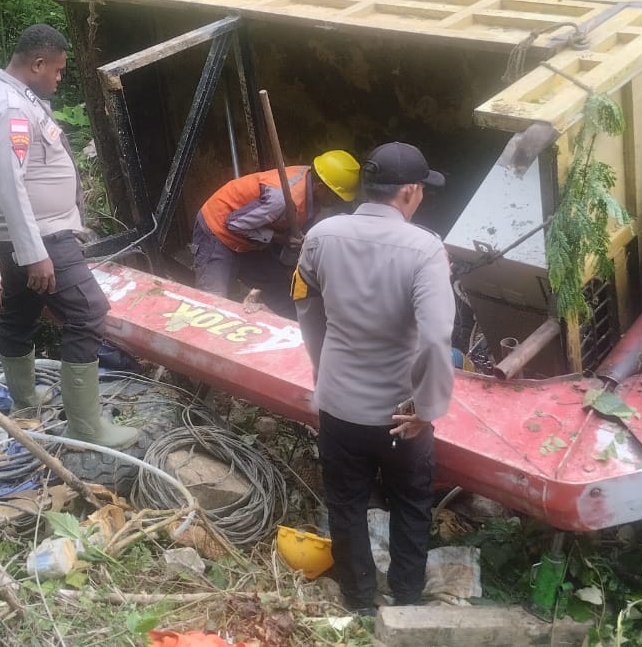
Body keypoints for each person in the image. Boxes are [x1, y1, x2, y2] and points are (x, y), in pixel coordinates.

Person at [292, 142, 455, 614]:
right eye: (421, 190)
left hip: (339, 405)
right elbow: (435, 337)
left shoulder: (322, 235)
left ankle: (358, 601)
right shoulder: (426, 249)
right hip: (400, 415)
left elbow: (306, 306)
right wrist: (427, 408)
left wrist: (325, 372)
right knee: (410, 502)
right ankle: (405, 598)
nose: (421, 197)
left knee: (346, 505)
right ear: (407, 192)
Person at [0, 23, 138, 449]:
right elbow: (12, 184)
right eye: (58, 71)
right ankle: (87, 425)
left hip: (25, 233)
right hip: (40, 236)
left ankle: (26, 404)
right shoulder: (10, 109)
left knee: (21, 309)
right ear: (37, 63)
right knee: (87, 311)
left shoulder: (6, 93)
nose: (59, 78)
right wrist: (35, 254)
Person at [191, 150, 360, 318]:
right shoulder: (282, 199)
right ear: (320, 187)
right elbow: (234, 224)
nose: (338, 202)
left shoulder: (313, 184)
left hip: (252, 237)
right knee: (212, 305)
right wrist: (282, 238)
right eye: (337, 196)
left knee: (280, 290)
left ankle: (300, 333)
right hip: (218, 231)